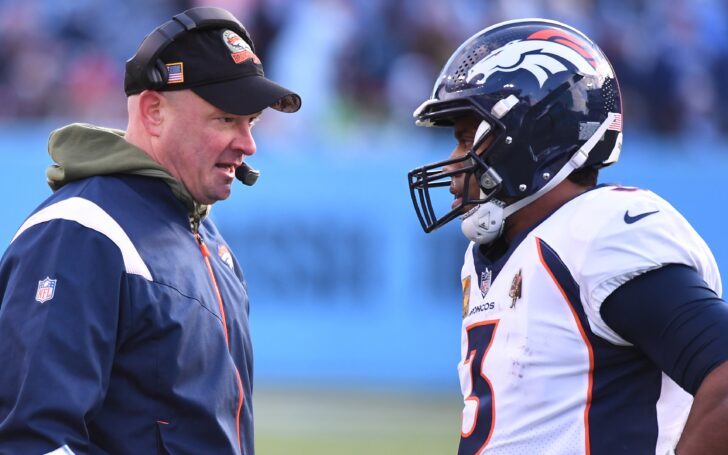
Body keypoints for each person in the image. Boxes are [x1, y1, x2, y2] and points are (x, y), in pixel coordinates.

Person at [407, 18, 728, 454]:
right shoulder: (496, 254)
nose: (450, 167)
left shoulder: (599, 233)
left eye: (467, 140)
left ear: (528, 137)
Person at [0, 7, 300, 455]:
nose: (248, 143)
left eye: (251, 122)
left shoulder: (210, 243)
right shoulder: (81, 231)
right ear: (154, 111)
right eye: (226, 119)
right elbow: (35, 442)